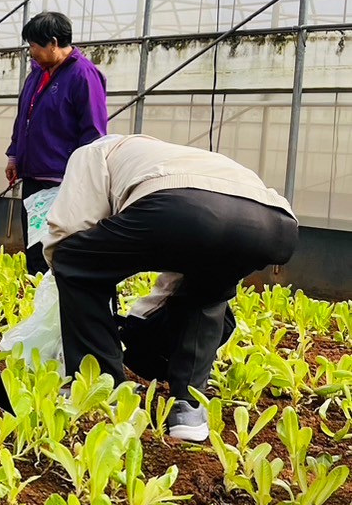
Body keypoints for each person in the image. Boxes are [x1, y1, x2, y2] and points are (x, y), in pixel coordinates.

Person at [45, 135, 298, 443]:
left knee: (73, 259)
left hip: (182, 208)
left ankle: (104, 389)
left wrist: (62, 273)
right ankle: (188, 409)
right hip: (276, 223)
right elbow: (180, 272)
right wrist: (140, 319)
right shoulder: (169, 156)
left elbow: (68, 230)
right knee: (206, 295)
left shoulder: (91, 151)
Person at [6, 13, 109, 275]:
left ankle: (58, 302)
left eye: (34, 46)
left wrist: (85, 179)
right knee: (34, 243)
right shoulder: (37, 74)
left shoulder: (83, 75)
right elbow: (24, 118)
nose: (31, 52)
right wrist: (14, 156)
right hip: (33, 175)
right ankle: (36, 297)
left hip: (62, 181)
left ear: (53, 43)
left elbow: (94, 133)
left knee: (59, 246)